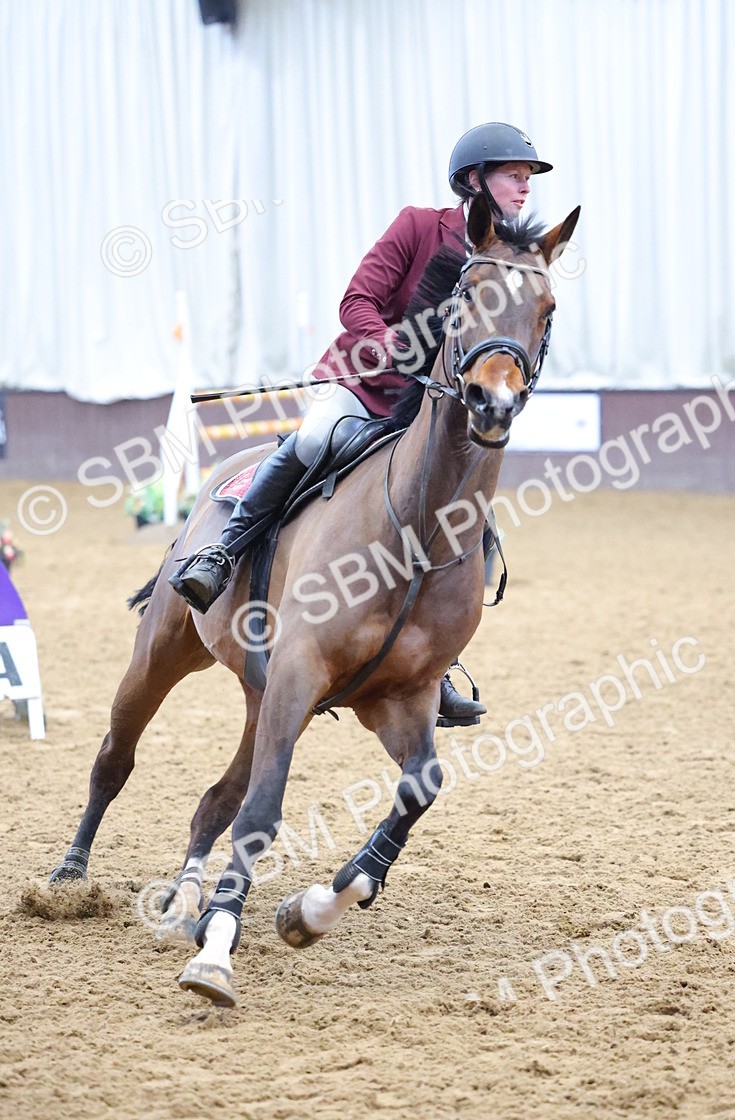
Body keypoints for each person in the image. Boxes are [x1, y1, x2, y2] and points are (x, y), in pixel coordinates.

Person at [170, 122, 553, 724]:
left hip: (426, 415)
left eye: (527, 178)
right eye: (513, 174)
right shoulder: (417, 226)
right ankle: (220, 555)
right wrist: (390, 346)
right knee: (317, 439)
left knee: (457, 505)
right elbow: (357, 302)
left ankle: (433, 660)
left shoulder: (508, 265)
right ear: (475, 181)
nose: (524, 187)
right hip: (361, 386)